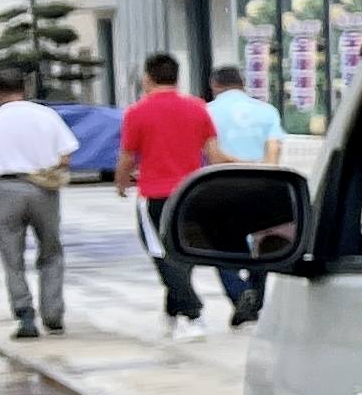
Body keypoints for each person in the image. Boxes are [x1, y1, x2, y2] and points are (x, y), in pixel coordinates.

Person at [115, 51, 220, 342]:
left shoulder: (137, 112)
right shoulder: (198, 108)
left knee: (161, 254)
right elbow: (212, 153)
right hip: (192, 192)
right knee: (184, 252)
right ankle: (172, 312)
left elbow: (127, 156)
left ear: (147, 78)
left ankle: (192, 312)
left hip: (155, 193)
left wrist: (121, 183)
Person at [0, 66, 74, 340]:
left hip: (7, 187)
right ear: (24, 88)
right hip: (44, 188)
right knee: (51, 251)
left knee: (12, 256)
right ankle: (53, 316)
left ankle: (24, 314)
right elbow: (65, 156)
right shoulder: (46, 115)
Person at [203, 64, 281, 325]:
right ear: (243, 84)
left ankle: (239, 295)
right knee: (262, 247)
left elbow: (211, 154)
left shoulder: (206, 112)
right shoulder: (267, 111)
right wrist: (261, 172)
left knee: (221, 249)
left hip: (220, 188)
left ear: (214, 85)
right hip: (260, 187)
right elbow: (274, 152)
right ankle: (254, 296)